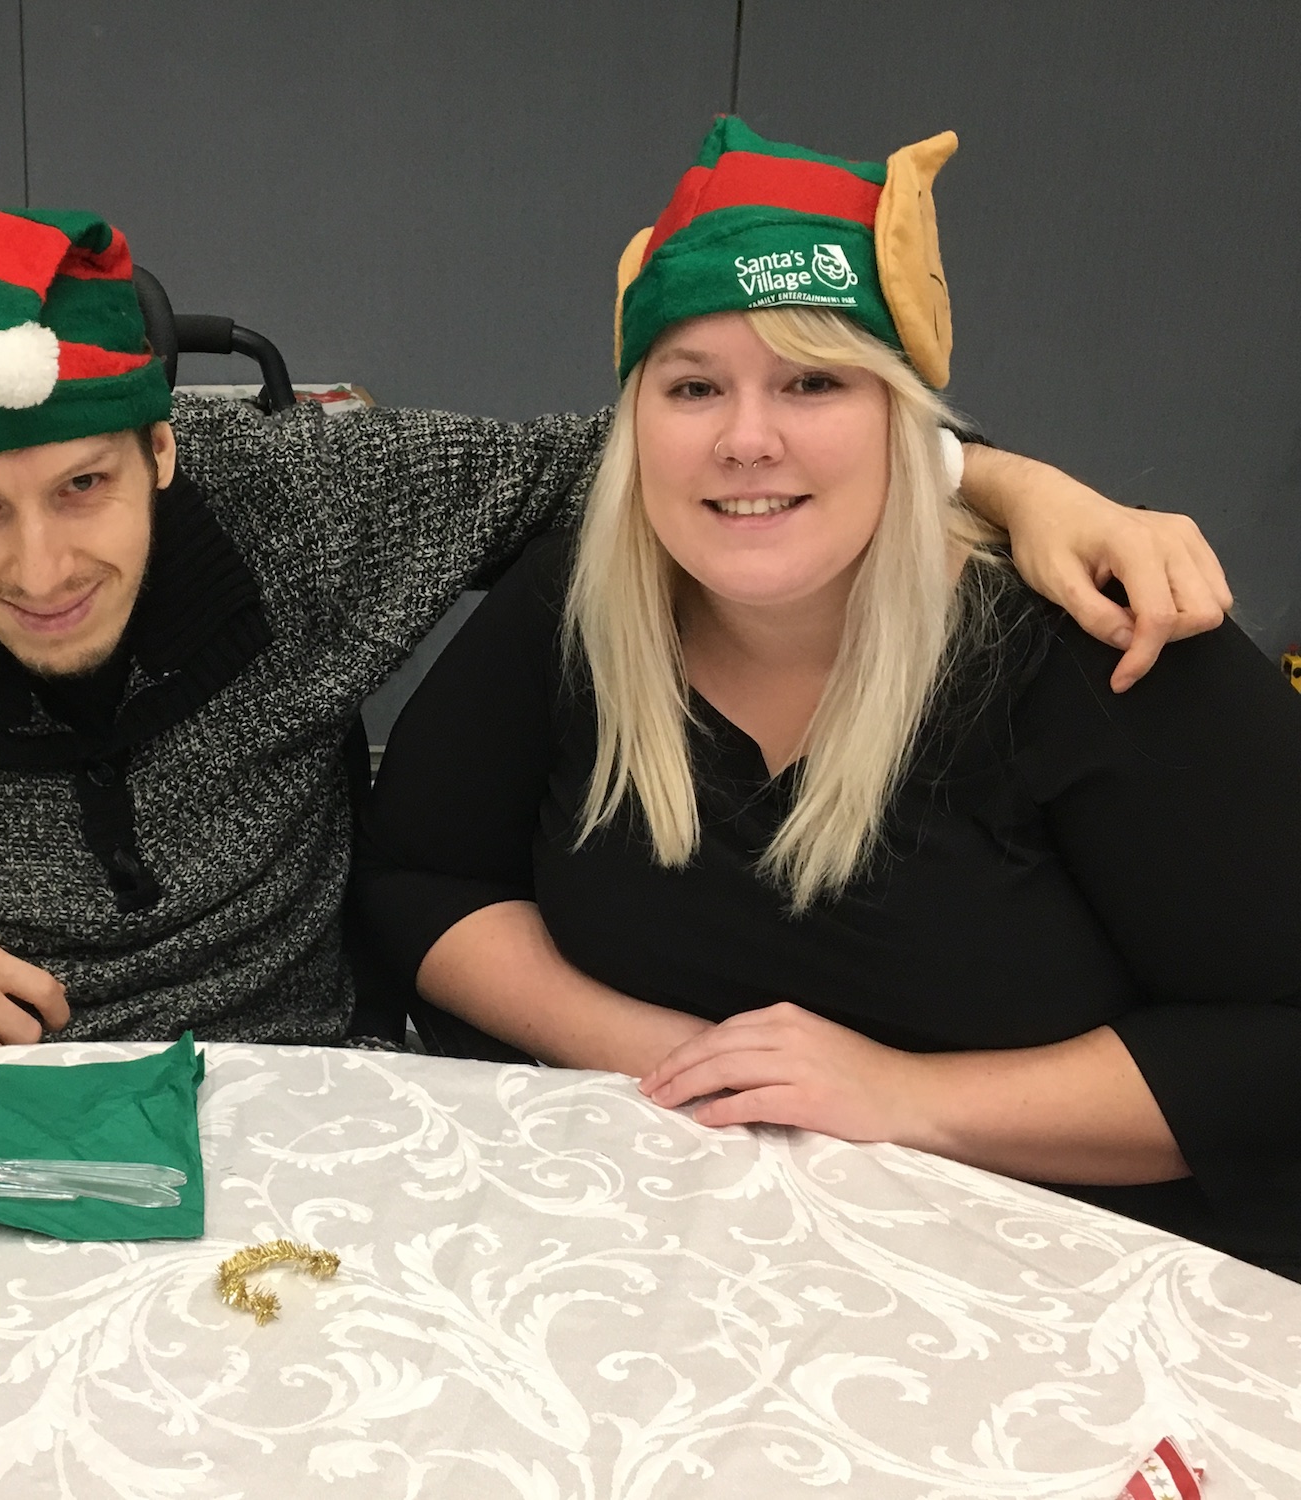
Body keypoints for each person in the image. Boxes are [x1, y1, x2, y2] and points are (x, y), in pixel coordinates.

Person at [0, 194, 1229, 1069]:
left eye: (86, 488)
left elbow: (682, 470)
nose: (41, 562)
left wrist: (1000, 476)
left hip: (303, 1115)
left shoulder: (308, 497)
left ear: (168, 454)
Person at [352, 119, 1301, 1276]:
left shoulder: (1102, 644)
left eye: (812, 382)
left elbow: (1272, 1043)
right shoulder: (580, 607)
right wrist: (693, 1059)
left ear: (907, 420)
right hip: (669, 1257)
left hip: (1053, 1292)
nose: (746, 440)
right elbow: (420, 881)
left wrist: (907, 1098)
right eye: (691, 386)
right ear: (633, 423)